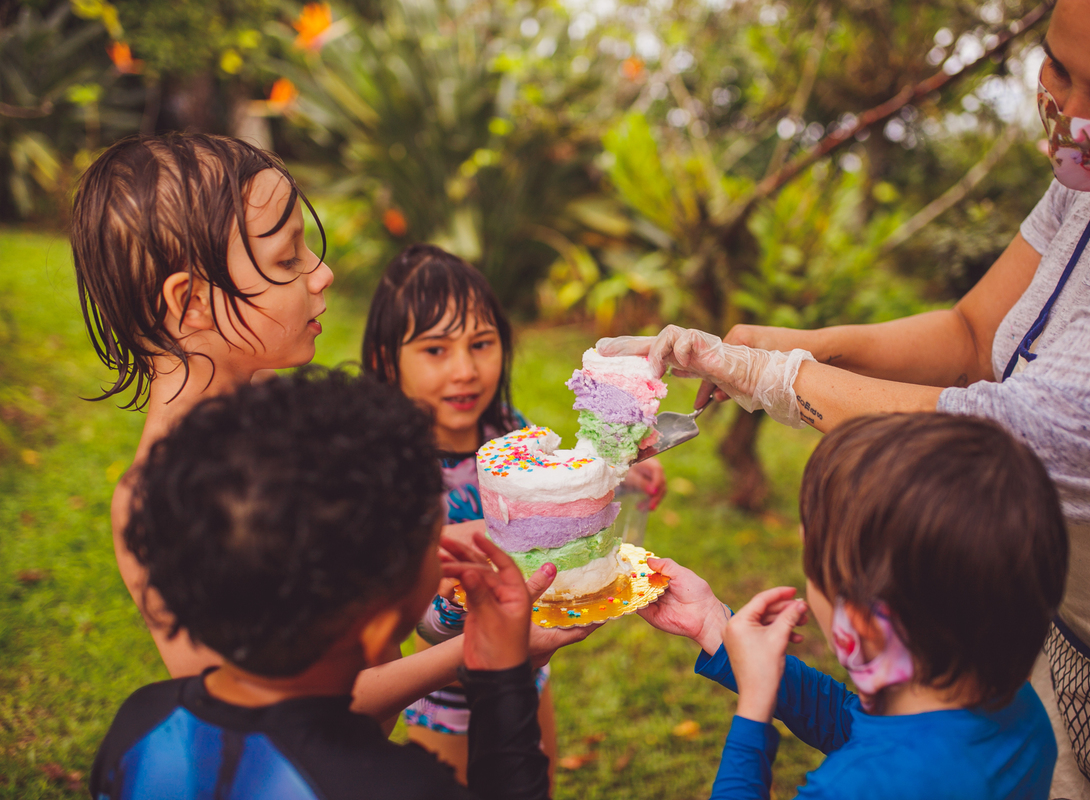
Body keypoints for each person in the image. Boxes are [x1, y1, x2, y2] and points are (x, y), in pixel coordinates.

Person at [600, 0, 1090, 794]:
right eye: (1058, 69)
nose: (1075, 115)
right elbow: (969, 333)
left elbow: (1005, 437)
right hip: (1042, 644)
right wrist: (803, 345)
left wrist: (774, 381)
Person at [71, 134, 589, 728]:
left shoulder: (287, 409)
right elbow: (275, 719)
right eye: (288, 259)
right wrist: (485, 655)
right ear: (189, 301)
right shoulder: (154, 502)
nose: (323, 273)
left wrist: (437, 549)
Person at [90, 367, 552, 800]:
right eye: (433, 535)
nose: (443, 541)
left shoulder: (140, 723)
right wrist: (501, 680)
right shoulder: (402, 786)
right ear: (376, 631)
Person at [639, 413, 1069, 799]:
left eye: (810, 567)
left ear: (861, 621)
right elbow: (856, 728)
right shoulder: (1017, 712)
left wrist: (753, 710)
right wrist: (715, 626)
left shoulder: (851, 788)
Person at [361, 243, 667, 783]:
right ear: (389, 361)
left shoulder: (506, 429)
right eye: (436, 350)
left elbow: (562, 481)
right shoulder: (393, 473)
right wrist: (466, 601)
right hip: (444, 698)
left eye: (481, 344)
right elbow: (417, 621)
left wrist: (614, 471)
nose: (465, 370)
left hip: (528, 675)